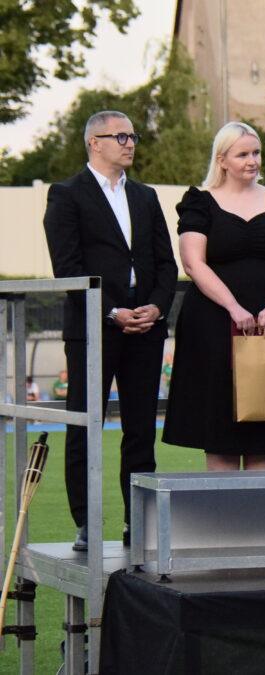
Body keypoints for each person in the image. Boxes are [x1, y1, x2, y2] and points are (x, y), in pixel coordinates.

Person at [43, 110, 179, 550]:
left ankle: (137, 521)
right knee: (86, 425)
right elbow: (68, 269)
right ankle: (86, 522)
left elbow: (165, 263)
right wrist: (112, 312)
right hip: (94, 329)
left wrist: (156, 307)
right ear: (93, 143)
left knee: (140, 428)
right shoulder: (66, 195)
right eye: (119, 136)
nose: (129, 143)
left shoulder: (145, 196)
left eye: (132, 135)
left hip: (146, 329)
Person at [163, 121, 265, 471]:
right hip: (213, 324)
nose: (252, 160)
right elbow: (192, 262)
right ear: (222, 160)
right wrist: (233, 307)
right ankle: (224, 524)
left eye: (256, 152)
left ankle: (260, 523)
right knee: (219, 429)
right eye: (243, 154)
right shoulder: (198, 202)